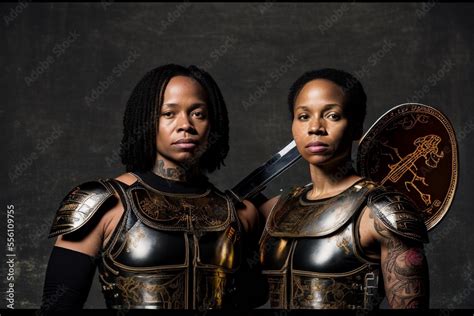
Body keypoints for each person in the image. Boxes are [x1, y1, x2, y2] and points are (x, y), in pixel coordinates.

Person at [41, 64, 262, 310]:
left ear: (213, 125)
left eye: (198, 113)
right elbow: (58, 305)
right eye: (169, 113)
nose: (185, 125)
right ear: (147, 121)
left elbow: (251, 298)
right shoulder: (103, 202)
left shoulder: (240, 214)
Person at [258, 68, 429, 309]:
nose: (315, 127)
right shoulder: (275, 209)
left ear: (357, 127)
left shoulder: (381, 211)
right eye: (304, 116)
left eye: (332, 116)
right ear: (293, 126)